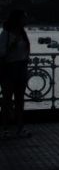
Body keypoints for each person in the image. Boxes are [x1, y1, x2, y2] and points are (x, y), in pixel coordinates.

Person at [0, 10, 31, 138]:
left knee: (20, 100)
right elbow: (1, 52)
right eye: (24, 18)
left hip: (22, 68)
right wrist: (13, 46)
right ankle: (4, 128)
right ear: (18, 20)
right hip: (9, 69)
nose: (26, 20)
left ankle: (20, 127)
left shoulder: (23, 34)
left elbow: (25, 51)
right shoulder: (6, 34)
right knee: (7, 100)